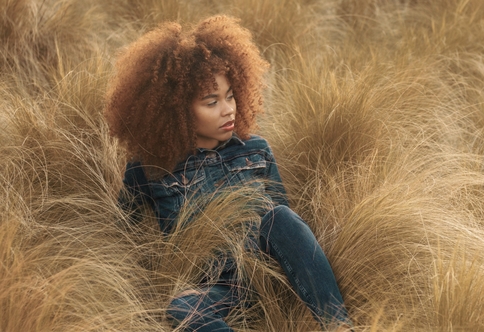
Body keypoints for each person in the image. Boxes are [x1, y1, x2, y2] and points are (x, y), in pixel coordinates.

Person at [104, 15, 352, 331]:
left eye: (231, 95)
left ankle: (340, 327)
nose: (228, 109)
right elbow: (124, 235)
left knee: (281, 217)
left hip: (269, 274)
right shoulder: (150, 169)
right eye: (212, 101)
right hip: (217, 288)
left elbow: (285, 228)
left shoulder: (256, 150)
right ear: (177, 109)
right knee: (181, 309)